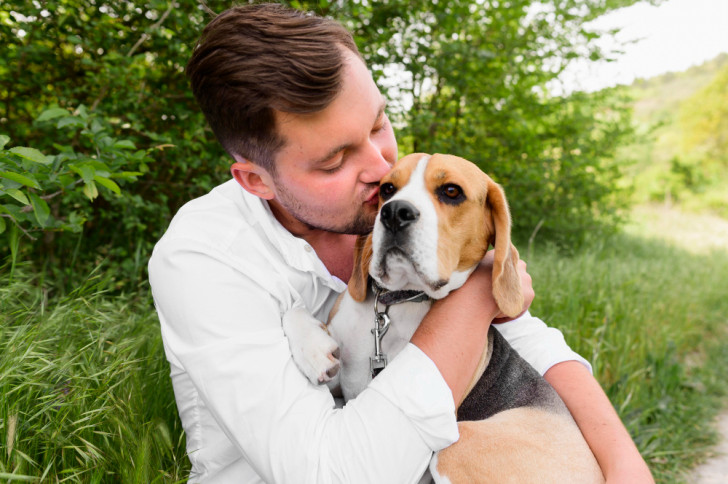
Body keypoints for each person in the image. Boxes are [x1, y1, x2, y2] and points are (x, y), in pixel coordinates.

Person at [148, 3, 653, 483]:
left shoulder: (389, 200)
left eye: (378, 124)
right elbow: (327, 474)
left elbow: (521, 333)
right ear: (256, 180)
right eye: (334, 161)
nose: (379, 167)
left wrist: (625, 465)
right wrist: (473, 297)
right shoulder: (203, 258)